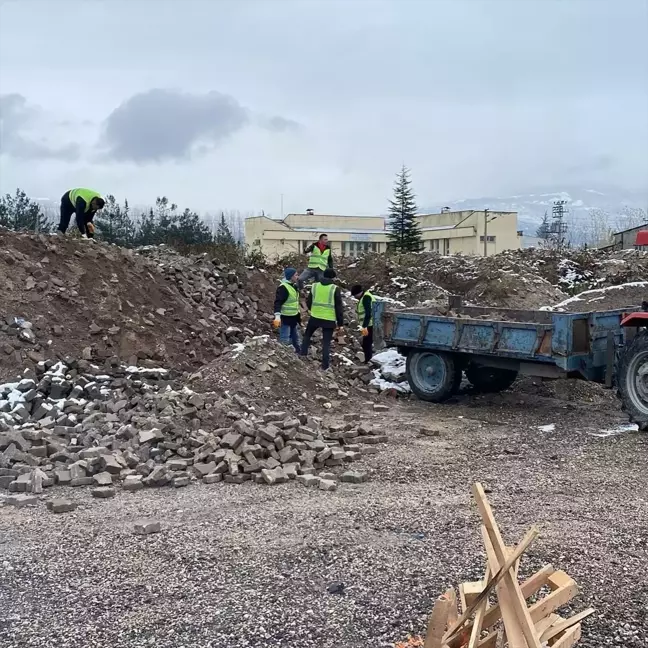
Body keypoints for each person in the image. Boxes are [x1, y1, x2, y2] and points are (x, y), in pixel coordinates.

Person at [300, 268, 344, 371]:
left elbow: (309, 302)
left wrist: (313, 310)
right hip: (329, 320)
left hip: (315, 317)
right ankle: (325, 366)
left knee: (307, 335)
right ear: (333, 277)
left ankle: (303, 354)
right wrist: (340, 323)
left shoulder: (315, 286)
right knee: (326, 343)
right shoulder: (334, 288)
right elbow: (339, 308)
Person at [273, 267, 301, 352]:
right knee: (285, 339)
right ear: (291, 277)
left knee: (295, 338)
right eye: (296, 275)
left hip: (294, 317)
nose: (298, 277)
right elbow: (278, 303)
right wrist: (277, 316)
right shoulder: (283, 288)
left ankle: (297, 355)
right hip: (285, 318)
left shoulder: (293, 286)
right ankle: (283, 355)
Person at [351, 284, 376, 363]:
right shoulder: (364, 297)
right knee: (366, 342)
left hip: (369, 325)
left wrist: (364, 326)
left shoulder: (366, 298)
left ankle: (368, 360)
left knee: (366, 343)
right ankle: (368, 359)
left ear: (359, 293)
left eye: (355, 295)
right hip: (368, 324)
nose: (355, 297)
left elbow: (368, 313)